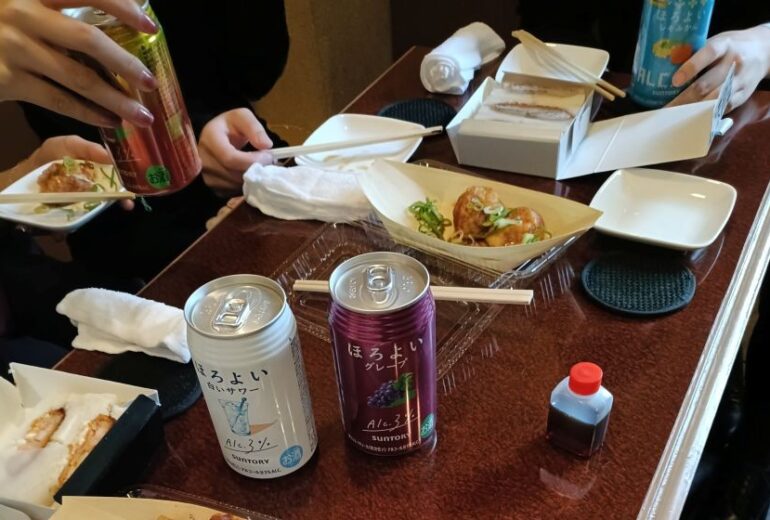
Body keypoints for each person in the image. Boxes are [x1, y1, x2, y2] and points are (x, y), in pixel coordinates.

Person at [518, 2, 770, 517]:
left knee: (725, 307)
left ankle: (754, 449)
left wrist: (767, 42)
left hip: (746, 116)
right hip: (609, 120)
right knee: (585, 322)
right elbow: (547, 24)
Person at [0, 0, 288, 352]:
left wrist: (196, 131)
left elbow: (257, 71)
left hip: (241, 160)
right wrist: (16, 187)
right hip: (122, 244)